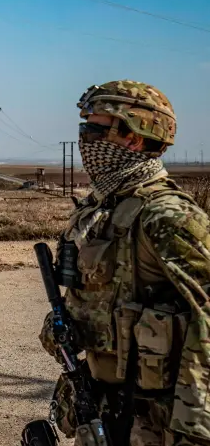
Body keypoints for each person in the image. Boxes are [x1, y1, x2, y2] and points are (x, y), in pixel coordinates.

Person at [38, 80, 210, 445]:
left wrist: (195, 428)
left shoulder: (167, 215)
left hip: (158, 419)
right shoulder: (106, 207)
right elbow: (104, 295)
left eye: (94, 129)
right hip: (108, 405)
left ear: (134, 137)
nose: (85, 139)